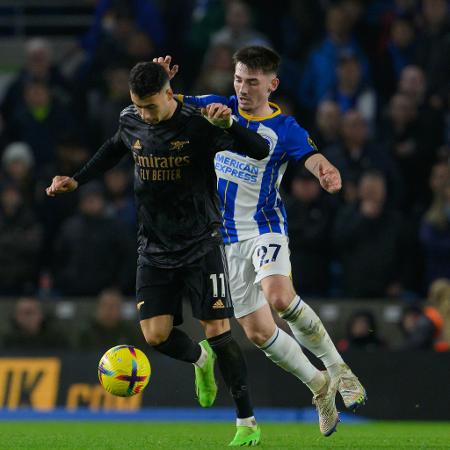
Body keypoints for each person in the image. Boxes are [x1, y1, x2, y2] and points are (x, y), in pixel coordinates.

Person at [46, 61, 269, 447]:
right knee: (155, 336)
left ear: (170, 94)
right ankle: (200, 361)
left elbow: (260, 150)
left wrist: (230, 125)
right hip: (153, 247)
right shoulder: (132, 118)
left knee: (219, 332)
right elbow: (115, 148)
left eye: (150, 107)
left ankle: (246, 422)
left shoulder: (200, 123)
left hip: (201, 243)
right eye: (138, 106)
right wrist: (76, 179)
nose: (144, 115)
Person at [156, 46, 366, 437]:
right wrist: (162, 83)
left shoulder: (284, 128)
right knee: (255, 332)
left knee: (280, 298)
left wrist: (327, 170)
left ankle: (340, 370)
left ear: (272, 84)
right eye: (238, 79)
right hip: (223, 239)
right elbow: (166, 103)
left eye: (252, 82)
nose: (243, 88)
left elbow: (312, 157)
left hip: (264, 227)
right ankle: (319, 385)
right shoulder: (216, 107)